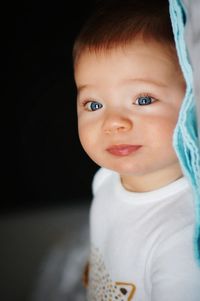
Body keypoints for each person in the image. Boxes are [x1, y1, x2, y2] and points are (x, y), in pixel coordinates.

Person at [72, 0, 200, 300]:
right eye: (93, 104)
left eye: (143, 100)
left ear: (191, 105)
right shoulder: (105, 179)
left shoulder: (181, 236)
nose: (113, 122)